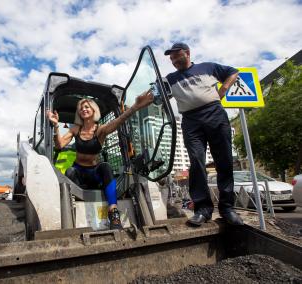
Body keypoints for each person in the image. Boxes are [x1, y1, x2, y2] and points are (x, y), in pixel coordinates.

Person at [164, 42, 243, 226]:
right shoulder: (170, 79)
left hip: (215, 114)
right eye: (171, 58)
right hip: (190, 121)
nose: (174, 60)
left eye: (177, 55)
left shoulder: (207, 67)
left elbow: (233, 71)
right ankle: (202, 209)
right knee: (197, 162)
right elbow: (154, 93)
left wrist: (223, 89)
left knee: (224, 160)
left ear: (187, 53)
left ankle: (227, 208)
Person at [47, 93, 153, 229]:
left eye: (87, 107)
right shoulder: (75, 129)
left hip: (94, 174)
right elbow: (59, 145)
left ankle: (113, 213)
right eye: (81, 108)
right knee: (70, 171)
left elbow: (117, 122)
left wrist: (135, 107)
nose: (83, 109)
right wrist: (56, 126)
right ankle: (70, 210)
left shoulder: (100, 130)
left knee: (106, 167)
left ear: (93, 110)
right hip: (79, 173)